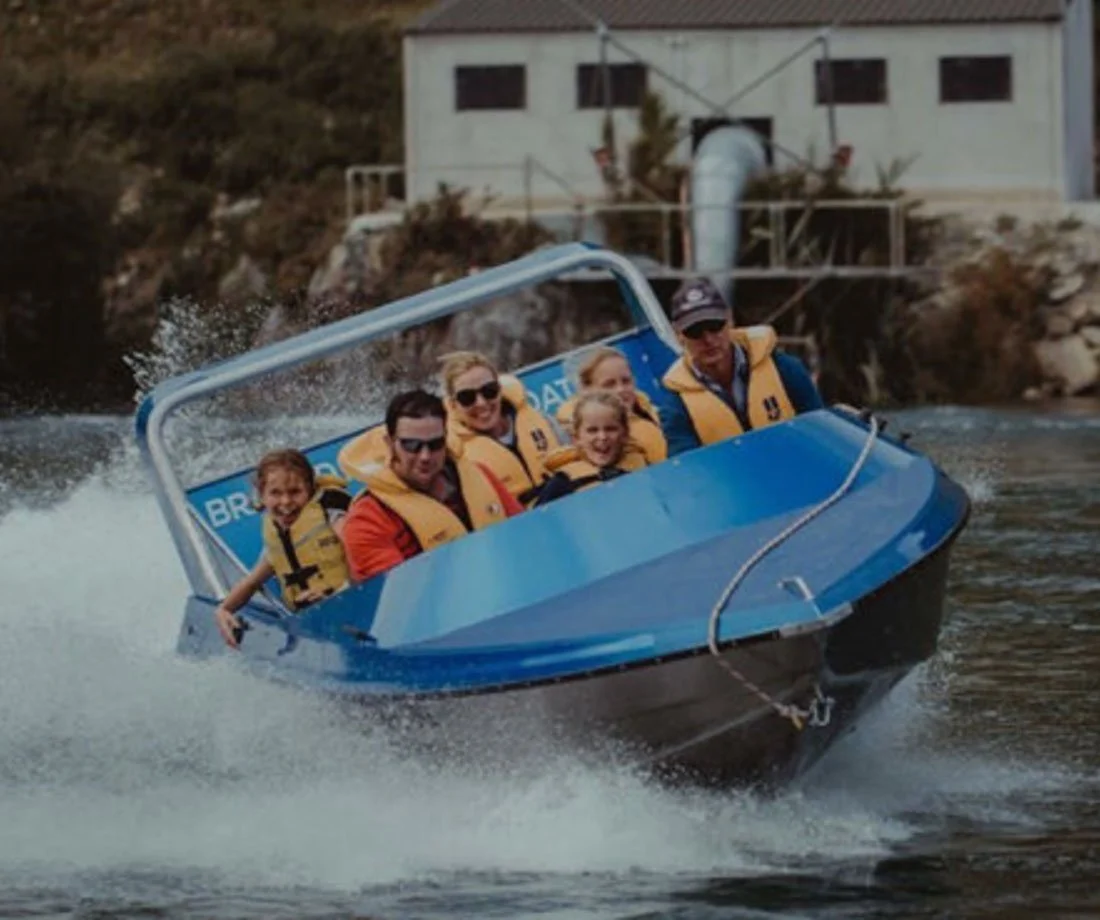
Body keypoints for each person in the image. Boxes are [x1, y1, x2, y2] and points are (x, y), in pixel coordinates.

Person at [341, 389, 523, 582]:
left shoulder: (479, 474)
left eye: (435, 444)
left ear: (446, 439)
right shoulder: (367, 520)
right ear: (390, 443)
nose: (425, 456)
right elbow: (397, 597)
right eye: (412, 445)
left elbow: (523, 536)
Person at [658, 277, 824, 456]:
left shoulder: (784, 368)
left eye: (715, 326)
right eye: (695, 331)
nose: (709, 340)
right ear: (678, 335)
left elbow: (822, 431)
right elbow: (686, 469)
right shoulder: (675, 404)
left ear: (730, 319)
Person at [215, 449, 352, 649]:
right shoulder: (278, 538)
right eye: (275, 493)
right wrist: (224, 610)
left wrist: (337, 594)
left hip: (352, 610)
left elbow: (364, 554)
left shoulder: (331, 513)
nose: (286, 502)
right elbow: (252, 582)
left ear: (310, 490)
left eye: (295, 492)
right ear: (261, 496)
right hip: (315, 627)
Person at [439, 351, 562, 506]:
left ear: (500, 389)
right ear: (452, 404)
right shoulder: (454, 459)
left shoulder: (544, 421)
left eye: (489, 391)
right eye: (467, 398)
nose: (481, 403)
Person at [556, 345, 667, 464]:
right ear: (586, 389)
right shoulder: (582, 437)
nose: (620, 389)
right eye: (609, 384)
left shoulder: (653, 412)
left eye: (626, 381)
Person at [535, 392, 648, 505]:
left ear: (625, 434)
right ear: (576, 438)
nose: (602, 437)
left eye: (610, 429)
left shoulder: (643, 467)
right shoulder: (563, 483)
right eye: (592, 430)